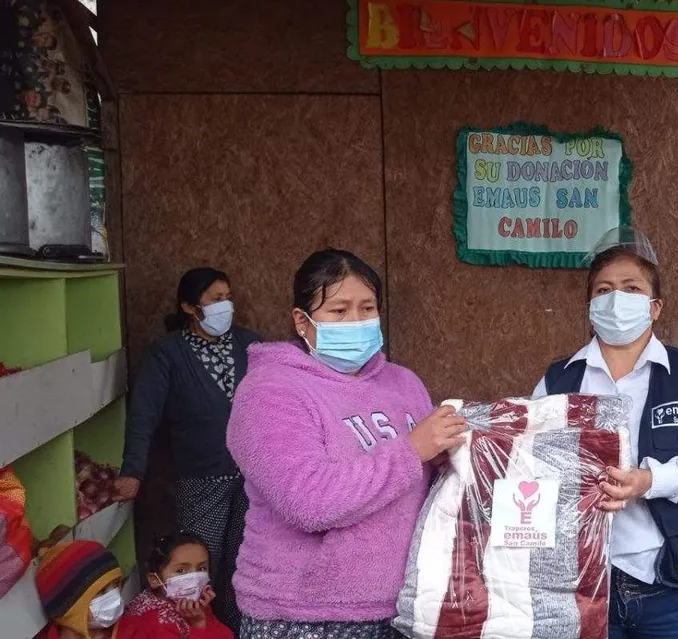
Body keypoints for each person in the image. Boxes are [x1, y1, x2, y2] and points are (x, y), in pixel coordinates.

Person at [226, 249, 467, 639]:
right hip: (303, 616)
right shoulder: (269, 392)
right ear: (302, 321)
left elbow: (426, 477)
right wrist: (411, 451)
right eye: (339, 311)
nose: (356, 320)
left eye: (367, 308)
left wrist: (446, 456)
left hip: (403, 606)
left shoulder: (403, 383)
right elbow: (307, 501)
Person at [533, 227, 678, 639]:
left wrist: (648, 481)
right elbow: (529, 459)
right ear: (590, 307)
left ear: (655, 308)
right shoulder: (559, 379)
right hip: (582, 586)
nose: (616, 298)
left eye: (631, 288)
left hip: (672, 585)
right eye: (603, 290)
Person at [114, 268, 261, 633]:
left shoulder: (249, 344)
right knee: (199, 567)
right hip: (201, 478)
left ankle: (235, 631)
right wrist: (133, 471)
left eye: (228, 297)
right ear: (189, 307)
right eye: (215, 299)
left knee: (245, 564)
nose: (225, 305)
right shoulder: (168, 353)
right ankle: (197, 630)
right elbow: (144, 414)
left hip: (252, 477)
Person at [122, 531, 233, 639]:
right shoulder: (154, 623)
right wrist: (198, 624)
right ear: (154, 580)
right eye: (181, 570)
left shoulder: (194, 603)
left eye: (201, 568)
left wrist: (204, 612)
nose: (194, 578)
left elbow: (225, 635)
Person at [35, 540, 127, 639]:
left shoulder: (134, 630)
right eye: (102, 591)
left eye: (116, 584)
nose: (115, 596)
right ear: (70, 607)